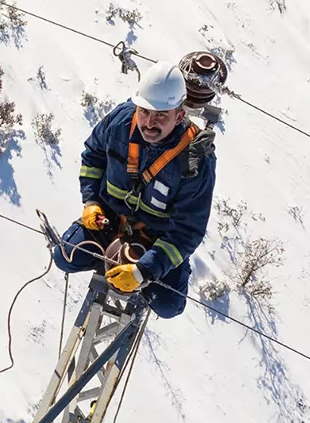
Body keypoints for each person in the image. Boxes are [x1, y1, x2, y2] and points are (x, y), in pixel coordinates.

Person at [52, 61, 217, 318]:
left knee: (168, 305)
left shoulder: (195, 161)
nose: (150, 123)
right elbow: (93, 157)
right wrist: (91, 202)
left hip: (157, 239)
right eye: (145, 112)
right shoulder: (120, 122)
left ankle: (137, 271)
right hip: (110, 221)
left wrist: (144, 270)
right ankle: (115, 261)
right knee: (65, 255)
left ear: (180, 115)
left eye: (161, 115)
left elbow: (187, 231)